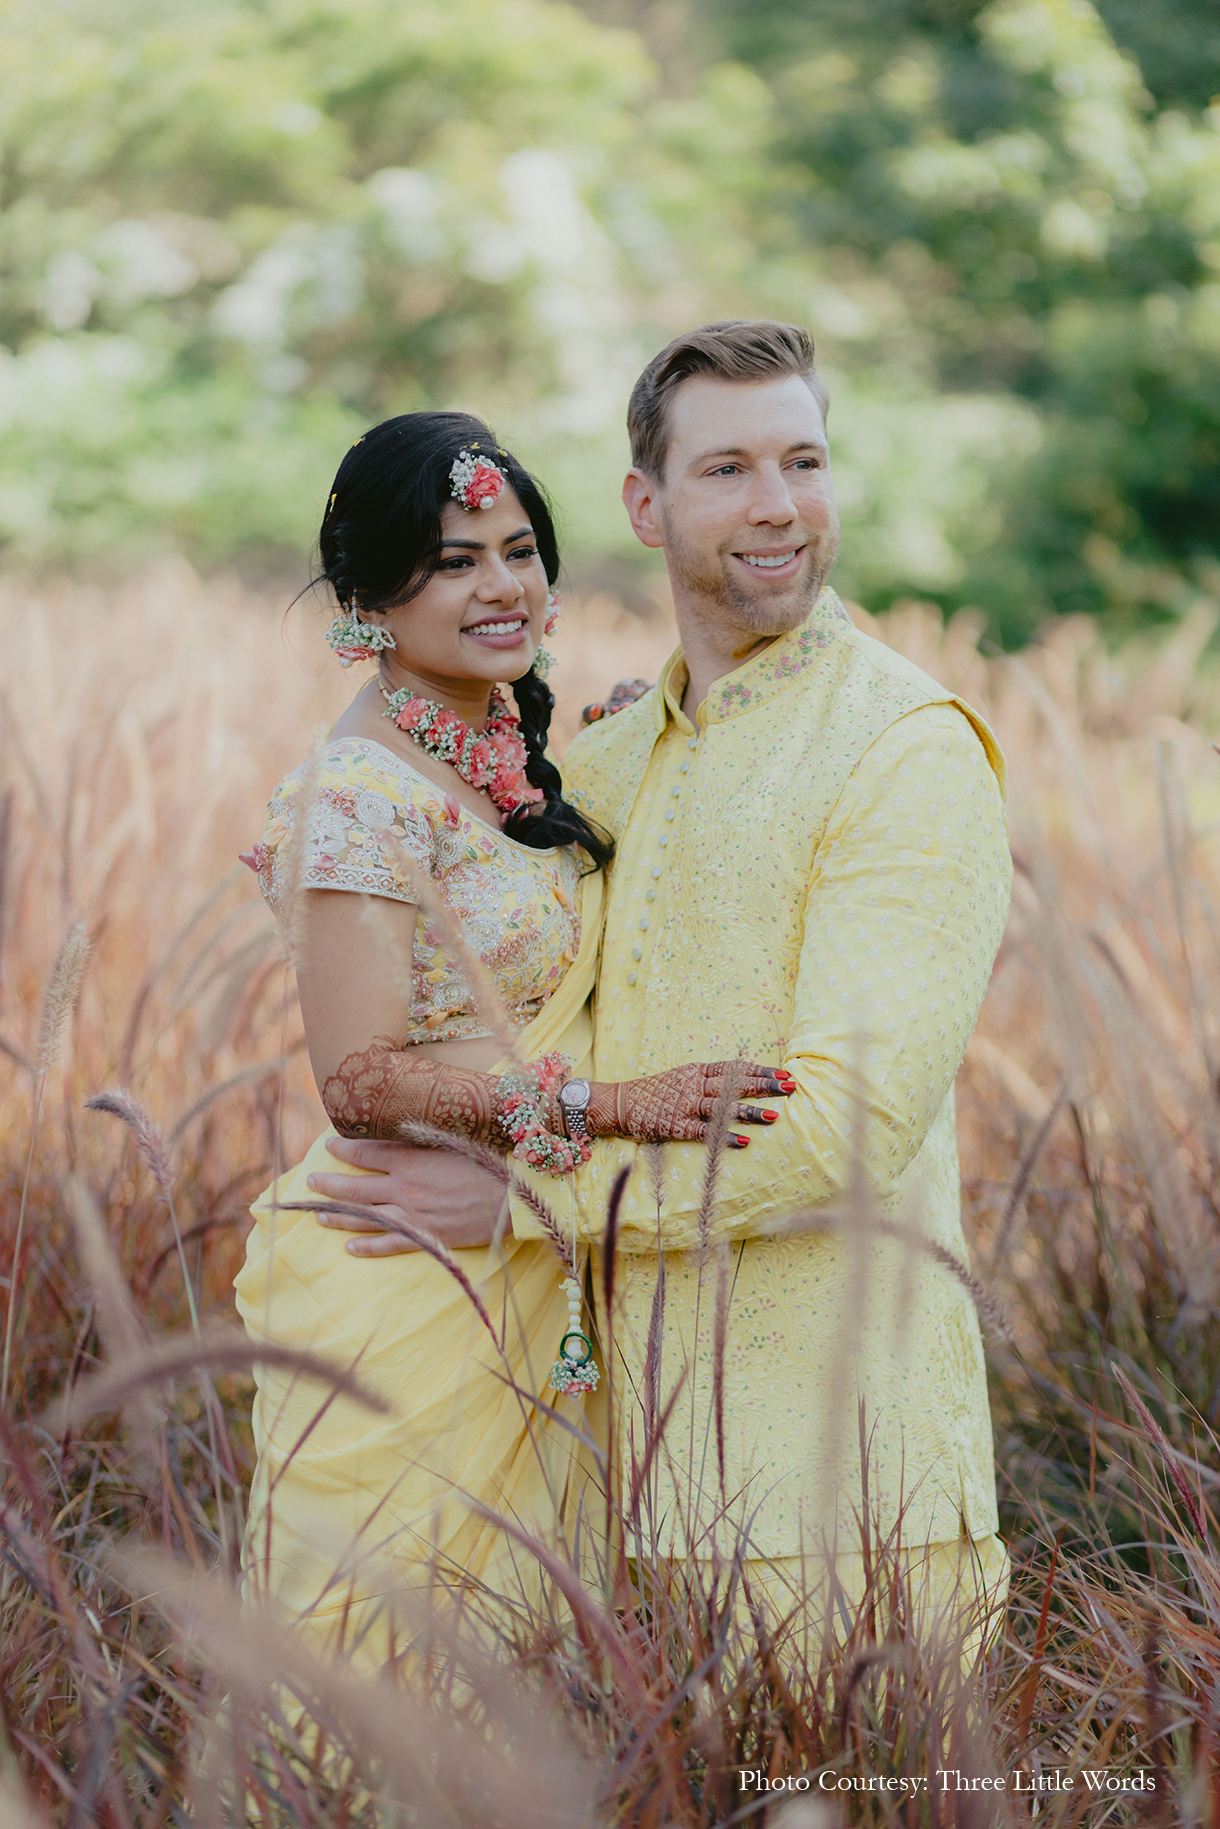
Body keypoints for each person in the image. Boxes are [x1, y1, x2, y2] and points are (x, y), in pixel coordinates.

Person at [312, 324, 1013, 1643]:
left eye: (803, 461)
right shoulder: (615, 756)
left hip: (845, 1490)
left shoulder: (905, 746)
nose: (776, 506)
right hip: (611, 1475)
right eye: (728, 468)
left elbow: (843, 1125)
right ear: (647, 504)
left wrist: (522, 1203)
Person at [234, 411, 788, 1667]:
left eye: (519, 547)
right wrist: (617, 1107)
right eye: (452, 560)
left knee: (533, 1659)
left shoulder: (512, 750)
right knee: (388, 1656)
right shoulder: (359, 796)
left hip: (536, 1247)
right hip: (412, 1272)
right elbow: (359, 1078)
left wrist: (635, 747)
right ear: (370, 597)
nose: (503, 587)